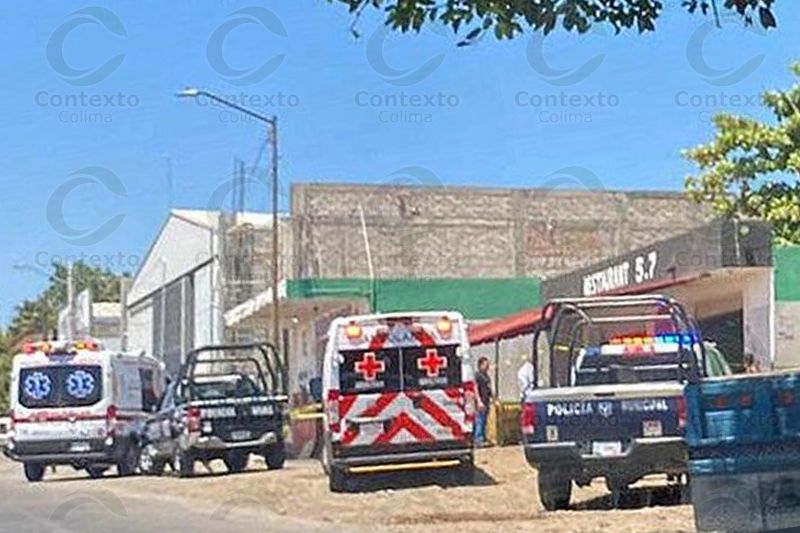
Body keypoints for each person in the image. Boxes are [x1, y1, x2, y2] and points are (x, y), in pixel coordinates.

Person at [474, 356, 493, 447]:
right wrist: (479, 401)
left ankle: (484, 437)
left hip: (486, 400)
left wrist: (492, 396)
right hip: (481, 401)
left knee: (484, 420)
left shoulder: (486, 375)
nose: (488, 366)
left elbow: (488, 387)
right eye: (486, 364)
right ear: (480, 365)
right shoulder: (478, 375)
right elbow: (475, 388)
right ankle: (478, 439)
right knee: (479, 420)